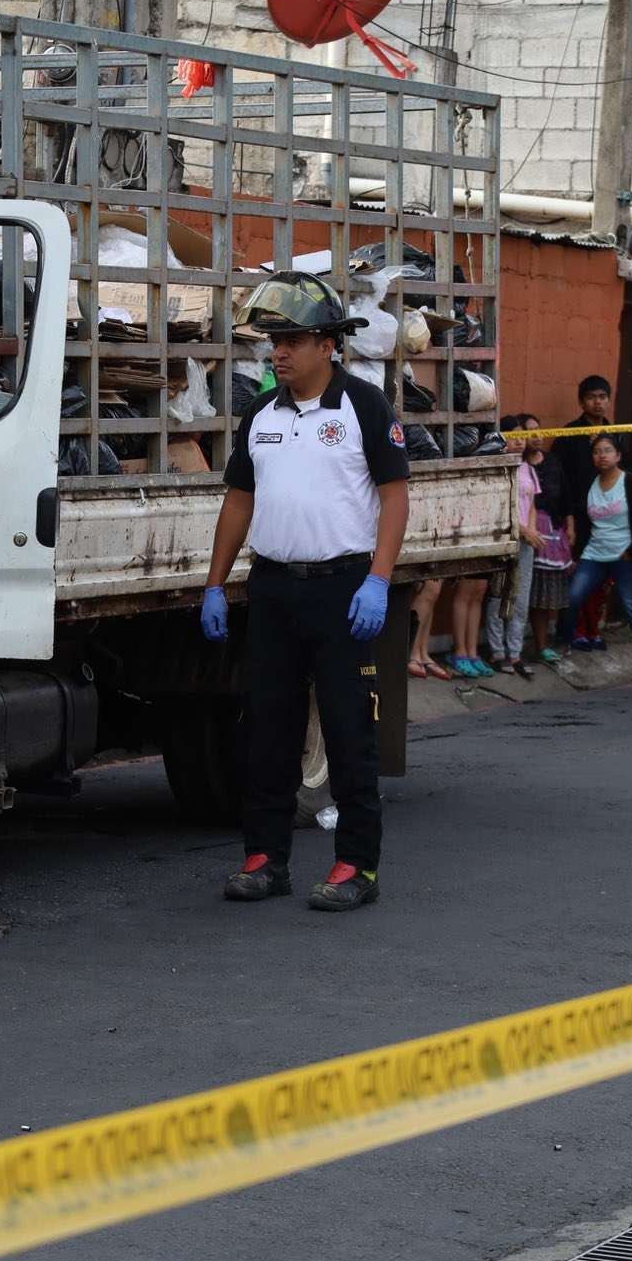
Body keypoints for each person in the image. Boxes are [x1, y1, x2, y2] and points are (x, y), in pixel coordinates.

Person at [200, 271, 410, 912]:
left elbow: (395, 498)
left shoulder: (363, 407)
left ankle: (356, 866)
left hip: (343, 590)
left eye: (292, 341)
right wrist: (215, 585)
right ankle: (265, 859)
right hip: (273, 590)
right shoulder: (261, 414)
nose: (279, 353)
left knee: (349, 732)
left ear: (328, 345)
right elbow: (239, 502)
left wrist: (378, 579)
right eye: (274, 342)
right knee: (267, 730)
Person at [563, 434, 632, 677]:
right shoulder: (590, 484)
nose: (602, 455)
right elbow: (584, 524)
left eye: (607, 450)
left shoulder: (631, 482)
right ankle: (563, 646)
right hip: (594, 554)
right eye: (597, 452)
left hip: (624, 555)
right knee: (572, 596)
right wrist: (576, 556)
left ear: (618, 455)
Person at [557, 375, 629, 650]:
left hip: (608, 518)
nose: (597, 402)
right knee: (578, 574)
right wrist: (567, 519)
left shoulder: (616, 435)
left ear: (609, 400)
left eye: (602, 397)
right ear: (581, 401)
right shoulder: (570, 434)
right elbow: (561, 479)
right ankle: (572, 630)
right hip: (578, 518)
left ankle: (592, 629)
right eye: (591, 397)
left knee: (603, 577)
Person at [485, 413, 547, 678]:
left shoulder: (528, 469)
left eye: (523, 436)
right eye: (514, 436)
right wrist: (524, 531)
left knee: (520, 599)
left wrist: (530, 529)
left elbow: (531, 505)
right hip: (504, 541)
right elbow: (499, 509)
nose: (520, 441)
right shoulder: (499, 469)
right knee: (499, 596)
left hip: (525, 542)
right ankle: (497, 652)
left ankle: (515, 653)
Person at [528, 427, 573, 664]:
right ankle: (508, 650)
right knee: (525, 593)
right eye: (528, 432)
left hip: (552, 538)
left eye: (539, 430)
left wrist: (570, 527)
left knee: (545, 595)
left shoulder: (554, 462)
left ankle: (542, 645)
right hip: (527, 534)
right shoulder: (519, 465)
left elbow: (566, 497)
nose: (535, 436)